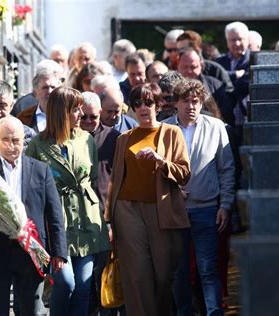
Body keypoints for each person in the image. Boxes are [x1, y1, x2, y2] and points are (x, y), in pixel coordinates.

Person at [0, 116, 68, 316]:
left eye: (16, 141)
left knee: (32, 311)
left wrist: (59, 252)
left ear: (24, 139)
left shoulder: (40, 170)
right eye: (5, 140)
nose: (11, 146)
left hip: (31, 252)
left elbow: (54, 213)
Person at [105, 82, 191, 316]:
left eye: (149, 102)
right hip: (127, 211)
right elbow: (115, 180)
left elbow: (184, 174)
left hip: (161, 211)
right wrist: (108, 219)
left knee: (162, 276)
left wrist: (160, 160)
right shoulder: (124, 138)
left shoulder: (172, 133)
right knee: (137, 276)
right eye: (137, 104)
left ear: (159, 104)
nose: (143, 108)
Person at [25, 87, 110, 316]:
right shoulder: (38, 145)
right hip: (56, 220)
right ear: (61, 112)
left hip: (86, 218)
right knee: (65, 282)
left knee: (84, 285)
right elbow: (31, 187)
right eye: (75, 109)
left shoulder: (86, 140)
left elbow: (91, 178)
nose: (81, 114)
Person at [166, 79, 235, 316]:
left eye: (195, 101)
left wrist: (225, 205)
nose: (191, 106)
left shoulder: (216, 127)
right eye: (185, 101)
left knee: (208, 269)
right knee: (179, 271)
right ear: (175, 103)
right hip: (175, 211)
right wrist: (171, 191)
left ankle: (214, 312)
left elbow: (226, 168)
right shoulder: (164, 129)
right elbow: (157, 172)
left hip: (207, 208)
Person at [80, 92, 124, 316]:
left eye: (92, 117)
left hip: (105, 220)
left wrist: (113, 222)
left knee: (105, 280)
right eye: (83, 117)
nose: (88, 122)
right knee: (84, 282)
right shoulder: (69, 137)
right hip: (79, 221)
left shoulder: (114, 139)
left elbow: (120, 181)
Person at [178, 47, 234, 127]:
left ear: (201, 65)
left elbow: (227, 114)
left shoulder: (215, 85)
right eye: (185, 67)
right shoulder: (172, 87)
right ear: (178, 65)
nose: (189, 71)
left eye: (193, 67)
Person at [17, 69, 62, 133]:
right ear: (35, 93)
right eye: (45, 88)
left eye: (53, 87)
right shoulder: (24, 118)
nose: (50, 91)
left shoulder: (68, 115)